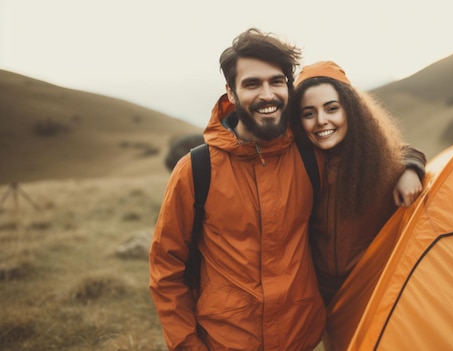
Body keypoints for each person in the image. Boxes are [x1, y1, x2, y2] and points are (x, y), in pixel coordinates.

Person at [148, 28, 326, 351]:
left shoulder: (311, 157)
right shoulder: (195, 170)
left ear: (289, 86)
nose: (267, 94)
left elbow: (372, 162)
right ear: (230, 92)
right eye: (252, 84)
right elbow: (165, 269)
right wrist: (188, 344)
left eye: (276, 81)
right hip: (223, 343)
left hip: (303, 340)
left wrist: (411, 164)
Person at [291, 61, 427, 305]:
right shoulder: (298, 164)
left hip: (375, 292)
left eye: (332, 109)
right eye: (309, 113)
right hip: (323, 301)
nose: (321, 120)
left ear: (352, 111)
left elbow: (405, 152)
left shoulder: (378, 161)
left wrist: (411, 169)